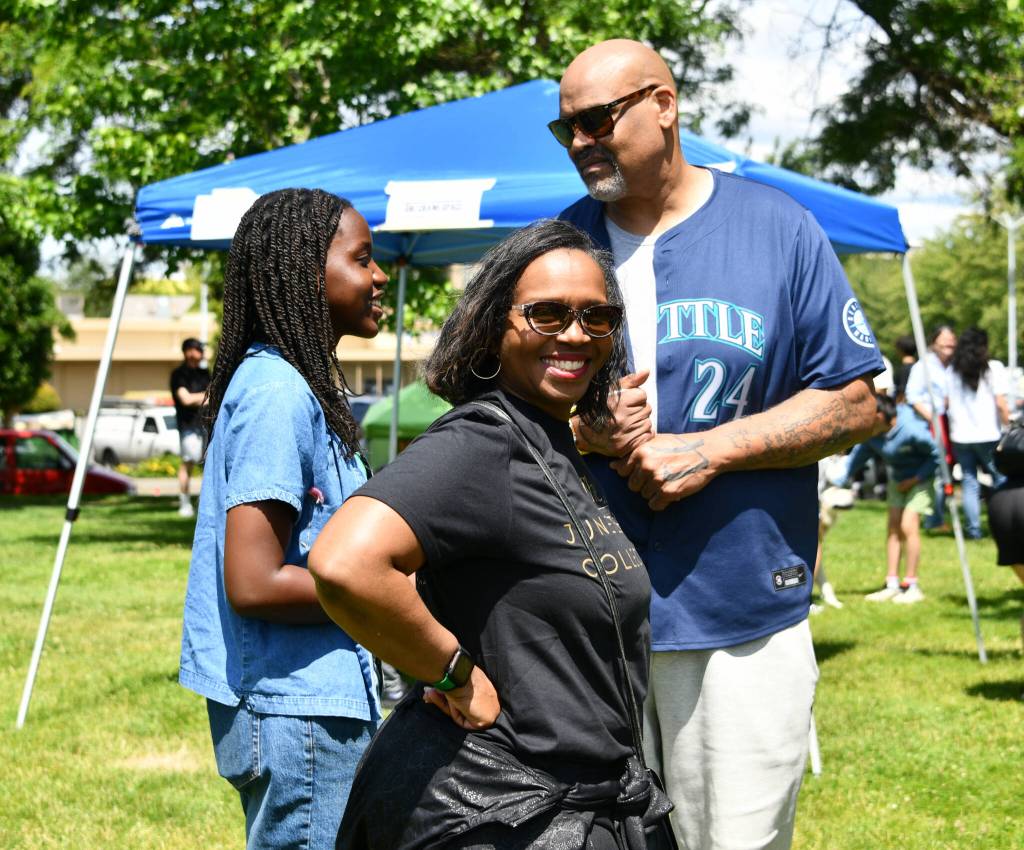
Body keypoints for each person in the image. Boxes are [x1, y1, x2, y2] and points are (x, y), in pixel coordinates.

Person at [551, 39, 881, 850]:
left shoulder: (778, 229)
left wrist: (713, 448)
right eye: (566, 131)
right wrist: (580, 428)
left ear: (664, 105)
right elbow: (494, 401)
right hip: (583, 625)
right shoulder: (554, 246)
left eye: (597, 120)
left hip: (741, 621)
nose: (581, 143)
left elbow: (861, 400)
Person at [310, 221, 673, 849]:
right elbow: (346, 561)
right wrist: (453, 673)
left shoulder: (547, 440)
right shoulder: (483, 443)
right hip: (501, 815)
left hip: (575, 806)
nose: (576, 335)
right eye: (547, 314)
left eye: (598, 317)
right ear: (492, 326)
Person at [178, 189, 387, 850]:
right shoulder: (277, 394)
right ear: (304, 272)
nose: (380, 276)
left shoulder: (299, 385)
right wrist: (385, 591)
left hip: (313, 707)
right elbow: (256, 581)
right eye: (363, 259)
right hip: (300, 715)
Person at [832, 394, 941, 603]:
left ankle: (911, 585)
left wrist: (916, 478)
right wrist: (837, 482)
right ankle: (891, 583)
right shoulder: (872, 435)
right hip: (898, 479)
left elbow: (937, 453)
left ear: (880, 416)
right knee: (893, 527)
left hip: (921, 479)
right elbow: (858, 457)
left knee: (908, 526)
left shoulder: (911, 430)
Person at [947, 327, 1009, 539]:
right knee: (1001, 479)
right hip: (988, 434)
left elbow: (946, 402)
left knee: (969, 482)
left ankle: (973, 530)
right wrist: (1009, 427)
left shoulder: (951, 371)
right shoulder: (993, 368)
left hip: (960, 435)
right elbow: (1001, 403)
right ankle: (1006, 525)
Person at [905, 324, 957, 530]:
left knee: (948, 469)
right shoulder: (923, 366)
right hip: (932, 422)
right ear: (934, 342)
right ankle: (932, 517)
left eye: (952, 339)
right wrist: (932, 418)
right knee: (937, 468)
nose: (949, 343)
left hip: (951, 422)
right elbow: (912, 396)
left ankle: (938, 516)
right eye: (944, 339)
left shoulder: (954, 365)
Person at [170, 337, 210, 517]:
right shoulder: (179, 375)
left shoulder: (205, 374)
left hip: (206, 424)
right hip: (188, 426)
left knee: (207, 464)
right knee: (189, 461)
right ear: (187, 352)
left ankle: (204, 502)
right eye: (195, 350)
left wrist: (199, 398)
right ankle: (184, 502)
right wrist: (204, 397)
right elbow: (185, 399)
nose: (198, 353)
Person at [892, 334, 917, 402]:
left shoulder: (902, 370)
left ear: (901, 350)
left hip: (905, 405)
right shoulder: (919, 367)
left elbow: (902, 391)